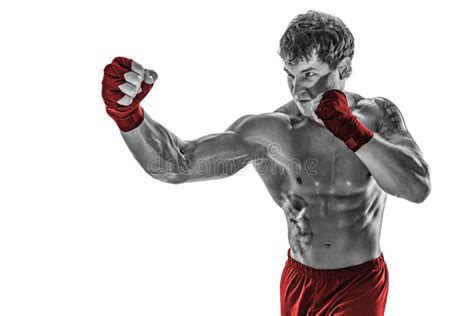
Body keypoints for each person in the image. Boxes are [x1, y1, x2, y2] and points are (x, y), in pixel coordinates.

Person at [101, 10, 431, 316]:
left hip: (359, 282)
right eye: (290, 75)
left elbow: (416, 187)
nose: (299, 89)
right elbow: (177, 166)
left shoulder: (376, 115)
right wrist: (128, 116)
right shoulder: (272, 131)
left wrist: (352, 132)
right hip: (299, 279)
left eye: (310, 74)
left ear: (343, 68)